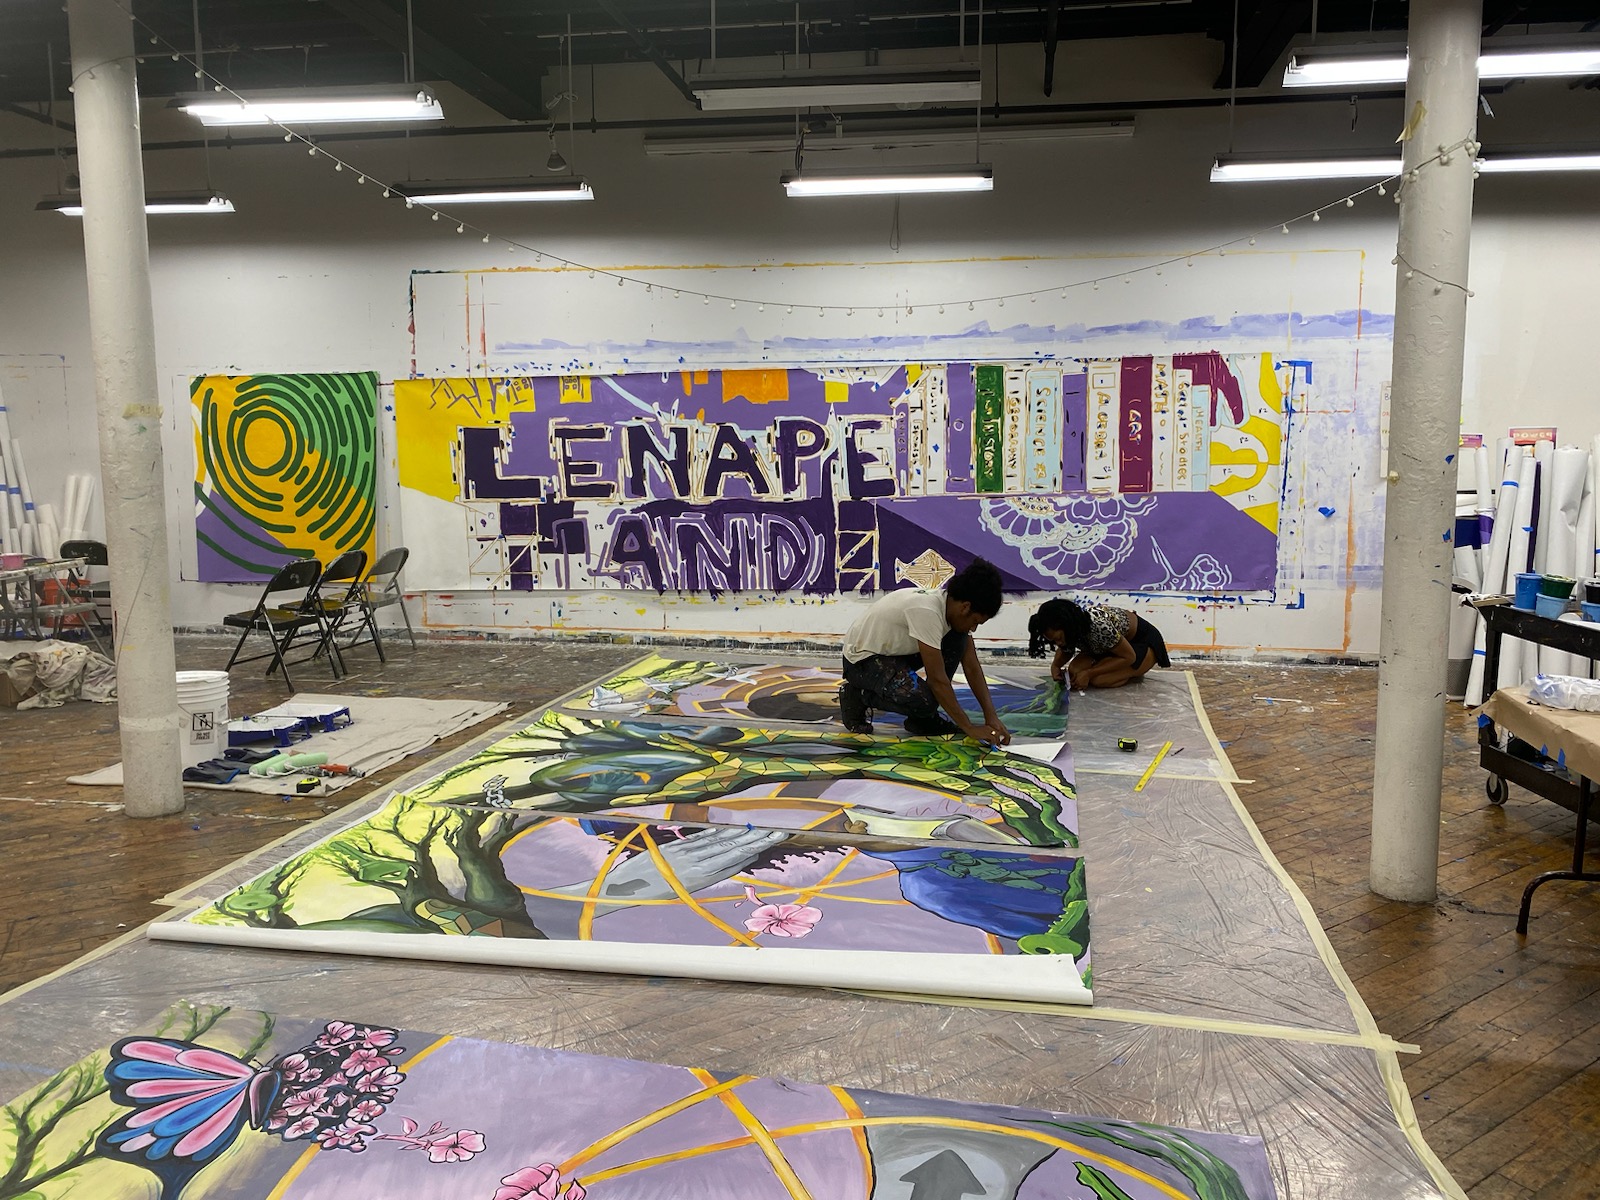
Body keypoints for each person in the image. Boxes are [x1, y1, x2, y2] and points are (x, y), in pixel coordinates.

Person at [838, 558, 1012, 743]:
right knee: (925, 701)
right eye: (975, 621)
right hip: (861, 662)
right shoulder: (927, 611)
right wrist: (968, 727)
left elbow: (972, 667)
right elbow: (937, 681)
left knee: (958, 640)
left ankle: (921, 721)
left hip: (893, 655)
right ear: (965, 607)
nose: (974, 628)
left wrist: (991, 716)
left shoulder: (949, 610)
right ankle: (857, 696)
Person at [1027, 596, 1170, 689]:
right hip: (1111, 646)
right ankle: (1115, 667)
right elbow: (1065, 648)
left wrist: (1089, 673)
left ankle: (1131, 672)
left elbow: (1129, 656)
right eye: (1054, 641)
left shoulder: (1098, 627)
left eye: (1059, 639)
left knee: (1100, 680)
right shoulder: (1073, 629)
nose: (1059, 644)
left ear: (1067, 626)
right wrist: (1056, 665)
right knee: (1075, 671)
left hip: (1141, 644)